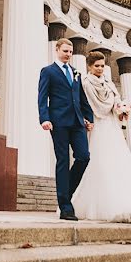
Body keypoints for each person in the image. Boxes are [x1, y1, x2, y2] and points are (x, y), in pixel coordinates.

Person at [71, 51, 131, 223]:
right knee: (100, 162)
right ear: (89, 66)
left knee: (119, 162)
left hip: (112, 126)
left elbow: (115, 102)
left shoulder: (108, 82)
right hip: (98, 125)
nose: (100, 69)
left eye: (102, 65)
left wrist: (121, 112)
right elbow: (92, 106)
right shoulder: (86, 83)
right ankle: (100, 206)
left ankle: (126, 204)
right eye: (97, 66)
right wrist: (111, 108)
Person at [38, 38, 95, 221]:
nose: (68, 54)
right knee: (63, 160)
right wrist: (44, 118)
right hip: (59, 122)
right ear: (57, 49)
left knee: (83, 157)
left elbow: (82, 98)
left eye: (70, 52)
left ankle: (66, 194)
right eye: (65, 51)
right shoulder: (48, 71)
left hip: (78, 122)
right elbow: (42, 96)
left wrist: (89, 118)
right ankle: (65, 208)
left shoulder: (76, 72)